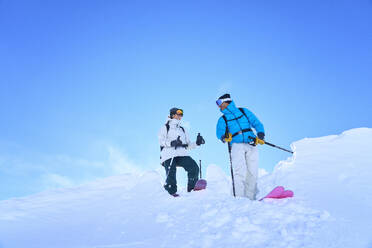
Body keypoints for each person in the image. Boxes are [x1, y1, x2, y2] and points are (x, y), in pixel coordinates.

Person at [215, 94, 265, 200]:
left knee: (253, 171)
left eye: (219, 103)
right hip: (236, 146)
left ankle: (251, 198)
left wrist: (260, 134)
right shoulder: (223, 119)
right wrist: (224, 137)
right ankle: (239, 199)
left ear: (226, 101)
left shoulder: (243, 111)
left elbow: (256, 123)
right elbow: (219, 132)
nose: (219, 106)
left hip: (251, 143)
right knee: (239, 172)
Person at [159, 108, 205, 196]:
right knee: (171, 171)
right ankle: (171, 191)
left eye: (182, 114)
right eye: (179, 113)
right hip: (169, 154)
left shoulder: (183, 129)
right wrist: (172, 143)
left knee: (194, 167)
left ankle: (192, 187)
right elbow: (161, 141)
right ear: (172, 115)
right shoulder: (165, 127)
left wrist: (197, 143)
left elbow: (187, 145)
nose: (180, 116)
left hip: (181, 153)